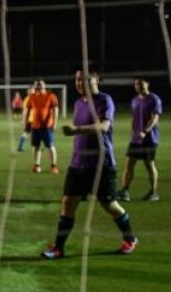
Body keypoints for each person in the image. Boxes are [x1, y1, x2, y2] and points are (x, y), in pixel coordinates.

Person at [41, 70, 138, 259]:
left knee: (110, 205)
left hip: (102, 163)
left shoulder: (105, 100)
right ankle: (58, 248)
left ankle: (130, 238)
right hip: (78, 164)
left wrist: (76, 129)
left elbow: (104, 126)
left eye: (84, 79)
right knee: (68, 203)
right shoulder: (79, 103)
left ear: (96, 80)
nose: (79, 82)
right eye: (77, 79)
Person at [118, 77, 163, 202]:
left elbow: (155, 118)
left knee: (149, 165)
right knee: (129, 164)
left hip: (149, 139)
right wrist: (133, 132)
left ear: (147, 84)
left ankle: (153, 192)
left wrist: (145, 131)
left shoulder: (154, 99)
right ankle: (125, 191)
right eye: (136, 84)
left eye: (141, 84)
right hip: (135, 139)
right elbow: (133, 117)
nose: (139, 86)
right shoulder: (135, 100)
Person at [23, 79, 60, 174]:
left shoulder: (51, 96)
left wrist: (54, 123)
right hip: (35, 126)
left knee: (50, 146)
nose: (38, 87)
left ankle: (53, 166)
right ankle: (37, 165)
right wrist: (25, 123)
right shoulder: (31, 97)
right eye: (36, 85)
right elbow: (27, 111)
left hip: (47, 126)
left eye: (40, 85)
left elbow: (56, 110)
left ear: (44, 86)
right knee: (36, 146)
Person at [17, 84, 35, 152]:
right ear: (28, 91)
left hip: (33, 119)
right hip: (31, 120)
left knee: (27, 133)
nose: (31, 91)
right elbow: (25, 111)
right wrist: (23, 121)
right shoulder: (27, 99)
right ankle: (34, 147)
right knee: (30, 134)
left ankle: (21, 146)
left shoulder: (35, 98)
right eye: (30, 90)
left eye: (32, 90)